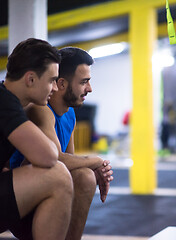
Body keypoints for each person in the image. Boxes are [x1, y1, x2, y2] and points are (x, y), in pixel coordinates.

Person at [10, 47, 114, 240]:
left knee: (84, 176)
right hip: (21, 201)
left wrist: (93, 165)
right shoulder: (40, 110)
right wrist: (96, 161)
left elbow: (71, 161)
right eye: (84, 82)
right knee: (77, 172)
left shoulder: (70, 114)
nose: (89, 89)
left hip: (44, 189)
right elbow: (56, 159)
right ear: (62, 83)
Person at [0, 38, 73, 239]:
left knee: (79, 177)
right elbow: (49, 157)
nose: (55, 88)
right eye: (51, 80)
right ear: (31, 79)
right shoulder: (5, 101)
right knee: (57, 176)